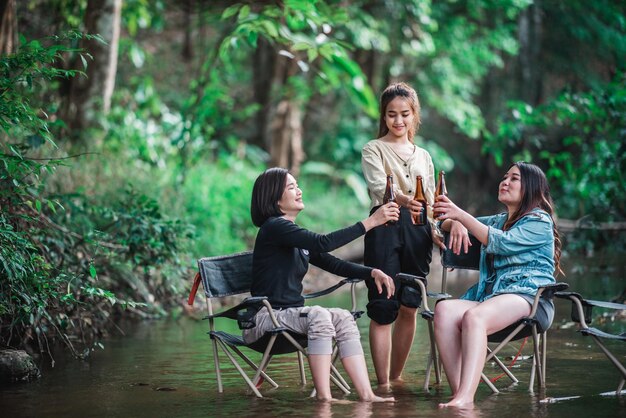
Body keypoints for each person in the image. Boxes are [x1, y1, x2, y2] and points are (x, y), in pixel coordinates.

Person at [243, 167, 398, 402]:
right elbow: (323, 243)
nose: (299, 191)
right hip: (265, 320)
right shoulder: (274, 228)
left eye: (297, 185)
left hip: (290, 318)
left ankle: (367, 395)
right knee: (318, 316)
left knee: (343, 317)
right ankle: (324, 398)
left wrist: (371, 272)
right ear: (275, 198)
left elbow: (332, 263)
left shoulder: (291, 234)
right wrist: (370, 222)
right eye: (291, 187)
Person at [360, 82, 468, 387]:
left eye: (404, 114)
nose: (398, 121)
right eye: (391, 114)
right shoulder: (374, 149)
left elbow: (433, 205)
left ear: (414, 115)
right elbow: (382, 189)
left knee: (409, 303)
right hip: (385, 227)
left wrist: (443, 225)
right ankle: (381, 385)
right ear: (383, 116)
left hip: (419, 232)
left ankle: (395, 379)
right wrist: (410, 201)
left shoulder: (425, 156)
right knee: (383, 307)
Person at [432, 161, 563, 408]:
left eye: (514, 179)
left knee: (474, 316)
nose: (505, 181)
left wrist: (461, 215)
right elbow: (441, 224)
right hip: (493, 299)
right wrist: (456, 222)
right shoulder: (498, 220)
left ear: (531, 188)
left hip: (530, 299)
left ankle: (465, 398)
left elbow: (501, 243)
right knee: (444, 309)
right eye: (505, 177)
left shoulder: (539, 221)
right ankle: (459, 394)